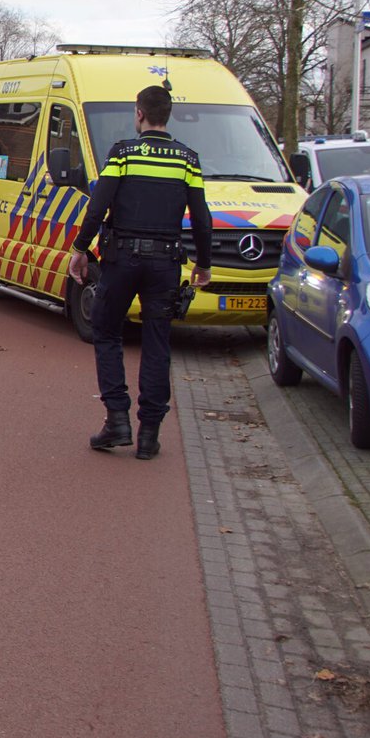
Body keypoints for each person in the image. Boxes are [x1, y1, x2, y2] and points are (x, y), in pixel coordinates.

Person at [68, 85, 212, 460]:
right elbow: (201, 218)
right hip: (166, 263)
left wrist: (80, 248)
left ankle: (117, 420)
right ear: (168, 115)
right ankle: (149, 434)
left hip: (122, 261)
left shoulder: (123, 154)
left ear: (139, 113)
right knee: (157, 342)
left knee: (106, 330)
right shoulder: (188, 160)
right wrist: (204, 263)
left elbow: (98, 205)